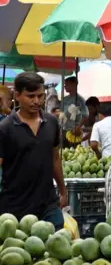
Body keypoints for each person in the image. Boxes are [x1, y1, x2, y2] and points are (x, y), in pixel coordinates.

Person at [0, 72, 66, 228]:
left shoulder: (51, 122)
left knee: (58, 247)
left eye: (40, 96)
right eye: (31, 96)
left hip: (48, 204)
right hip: (15, 208)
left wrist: (63, 191)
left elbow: (54, 158)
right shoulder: (5, 128)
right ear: (17, 95)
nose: (37, 101)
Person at [61, 76, 88, 148]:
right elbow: (61, 114)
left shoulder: (80, 100)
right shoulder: (64, 99)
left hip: (74, 132)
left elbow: (86, 116)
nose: (65, 86)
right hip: (63, 130)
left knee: (74, 152)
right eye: (64, 85)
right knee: (63, 152)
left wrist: (78, 127)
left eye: (67, 84)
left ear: (74, 84)